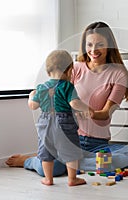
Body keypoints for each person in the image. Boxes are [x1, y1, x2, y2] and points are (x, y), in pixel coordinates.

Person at [5, 21, 128, 177]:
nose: (93, 50)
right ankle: (31, 161)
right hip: (69, 139)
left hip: (97, 144)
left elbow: (106, 113)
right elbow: (57, 94)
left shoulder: (119, 74)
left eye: (99, 44)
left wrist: (88, 112)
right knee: (55, 169)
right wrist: (37, 95)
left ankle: (74, 163)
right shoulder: (75, 68)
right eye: (89, 45)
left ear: (110, 45)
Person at [28, 49, 92, 186]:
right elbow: (74, 103)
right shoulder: (68, 86)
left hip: (45, 123)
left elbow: (33, 106)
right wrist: (87, 108)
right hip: (64, 122)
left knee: (46, 152)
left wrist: (30, 96)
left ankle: (48, 179)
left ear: (48, 71)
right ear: (69, 70)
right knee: (71, 151)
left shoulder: (41, 88)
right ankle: (72, 179)